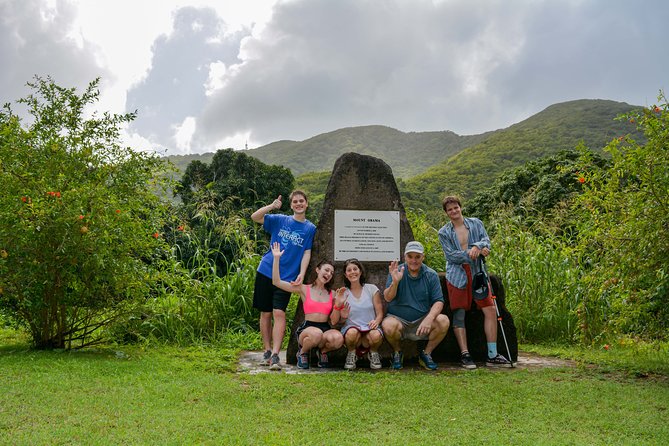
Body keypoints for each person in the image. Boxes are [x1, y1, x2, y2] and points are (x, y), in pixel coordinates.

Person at [438, 195, 512, 369]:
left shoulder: (476, 223)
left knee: (490, 309)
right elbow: (451, 256)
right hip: (457, 275)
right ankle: (465, 354)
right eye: (450, 209)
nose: (454, 211)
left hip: (478, 273)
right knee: (459, 313)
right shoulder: (444, 232)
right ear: (446, 213)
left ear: (460, 207)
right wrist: (472, 253)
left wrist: (478, 247)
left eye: (456, 207)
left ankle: (492, 354)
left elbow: (486, 241)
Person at [251, 190, 316, 370]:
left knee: (279, 313)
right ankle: (266, 349)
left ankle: (275, 355)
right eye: (295, 201)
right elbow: (255, 217)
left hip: (286, 277)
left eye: (301, 201)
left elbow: (307, 252)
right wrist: (271, 206)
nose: (298, 204)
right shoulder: (280, 220)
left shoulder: (310, 228)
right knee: (265, 313)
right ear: (291, 205)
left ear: (306, 203)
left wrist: (302, 273)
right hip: (266, 270)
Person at [271, 242, 344, 369]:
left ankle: (323, 352)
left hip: (325, 328)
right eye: (326, 270)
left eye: (331, 273)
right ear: (317, 269)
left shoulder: (333, 294)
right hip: (308, 329)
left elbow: (333, 321)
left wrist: (338, 305)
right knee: (316, 334)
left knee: (338, 339)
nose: (329, 274)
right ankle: (302, 352)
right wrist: (276, 258)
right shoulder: (304, 289)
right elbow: (276, 282)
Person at [381, 241, 450, 370]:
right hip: (398, 319)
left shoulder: (431, 275)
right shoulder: (397, 271)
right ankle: (397, 351)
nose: (414, 260)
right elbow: (388, 297)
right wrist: (395, 282)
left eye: (417, 257)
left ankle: (426, 353)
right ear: (405, 257)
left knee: (443, 321)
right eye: (410, 256)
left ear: (423, 257)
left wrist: (429, 319)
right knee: (388, 325)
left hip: (422, 320)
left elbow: (438, 301)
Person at [334, 258, 385, 370]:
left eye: (355, 269)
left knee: (376, 335)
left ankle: (373, 353)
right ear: (345, 274)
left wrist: (376, 321)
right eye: (349, 270)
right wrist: (343, 317)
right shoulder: (344, 293)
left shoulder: (371, 289)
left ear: (360, 271)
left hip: (369, 329)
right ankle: (352, 353)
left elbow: (380, 313)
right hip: (352, 331)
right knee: (351, 333)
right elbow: (338, 322)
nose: (352, 272)